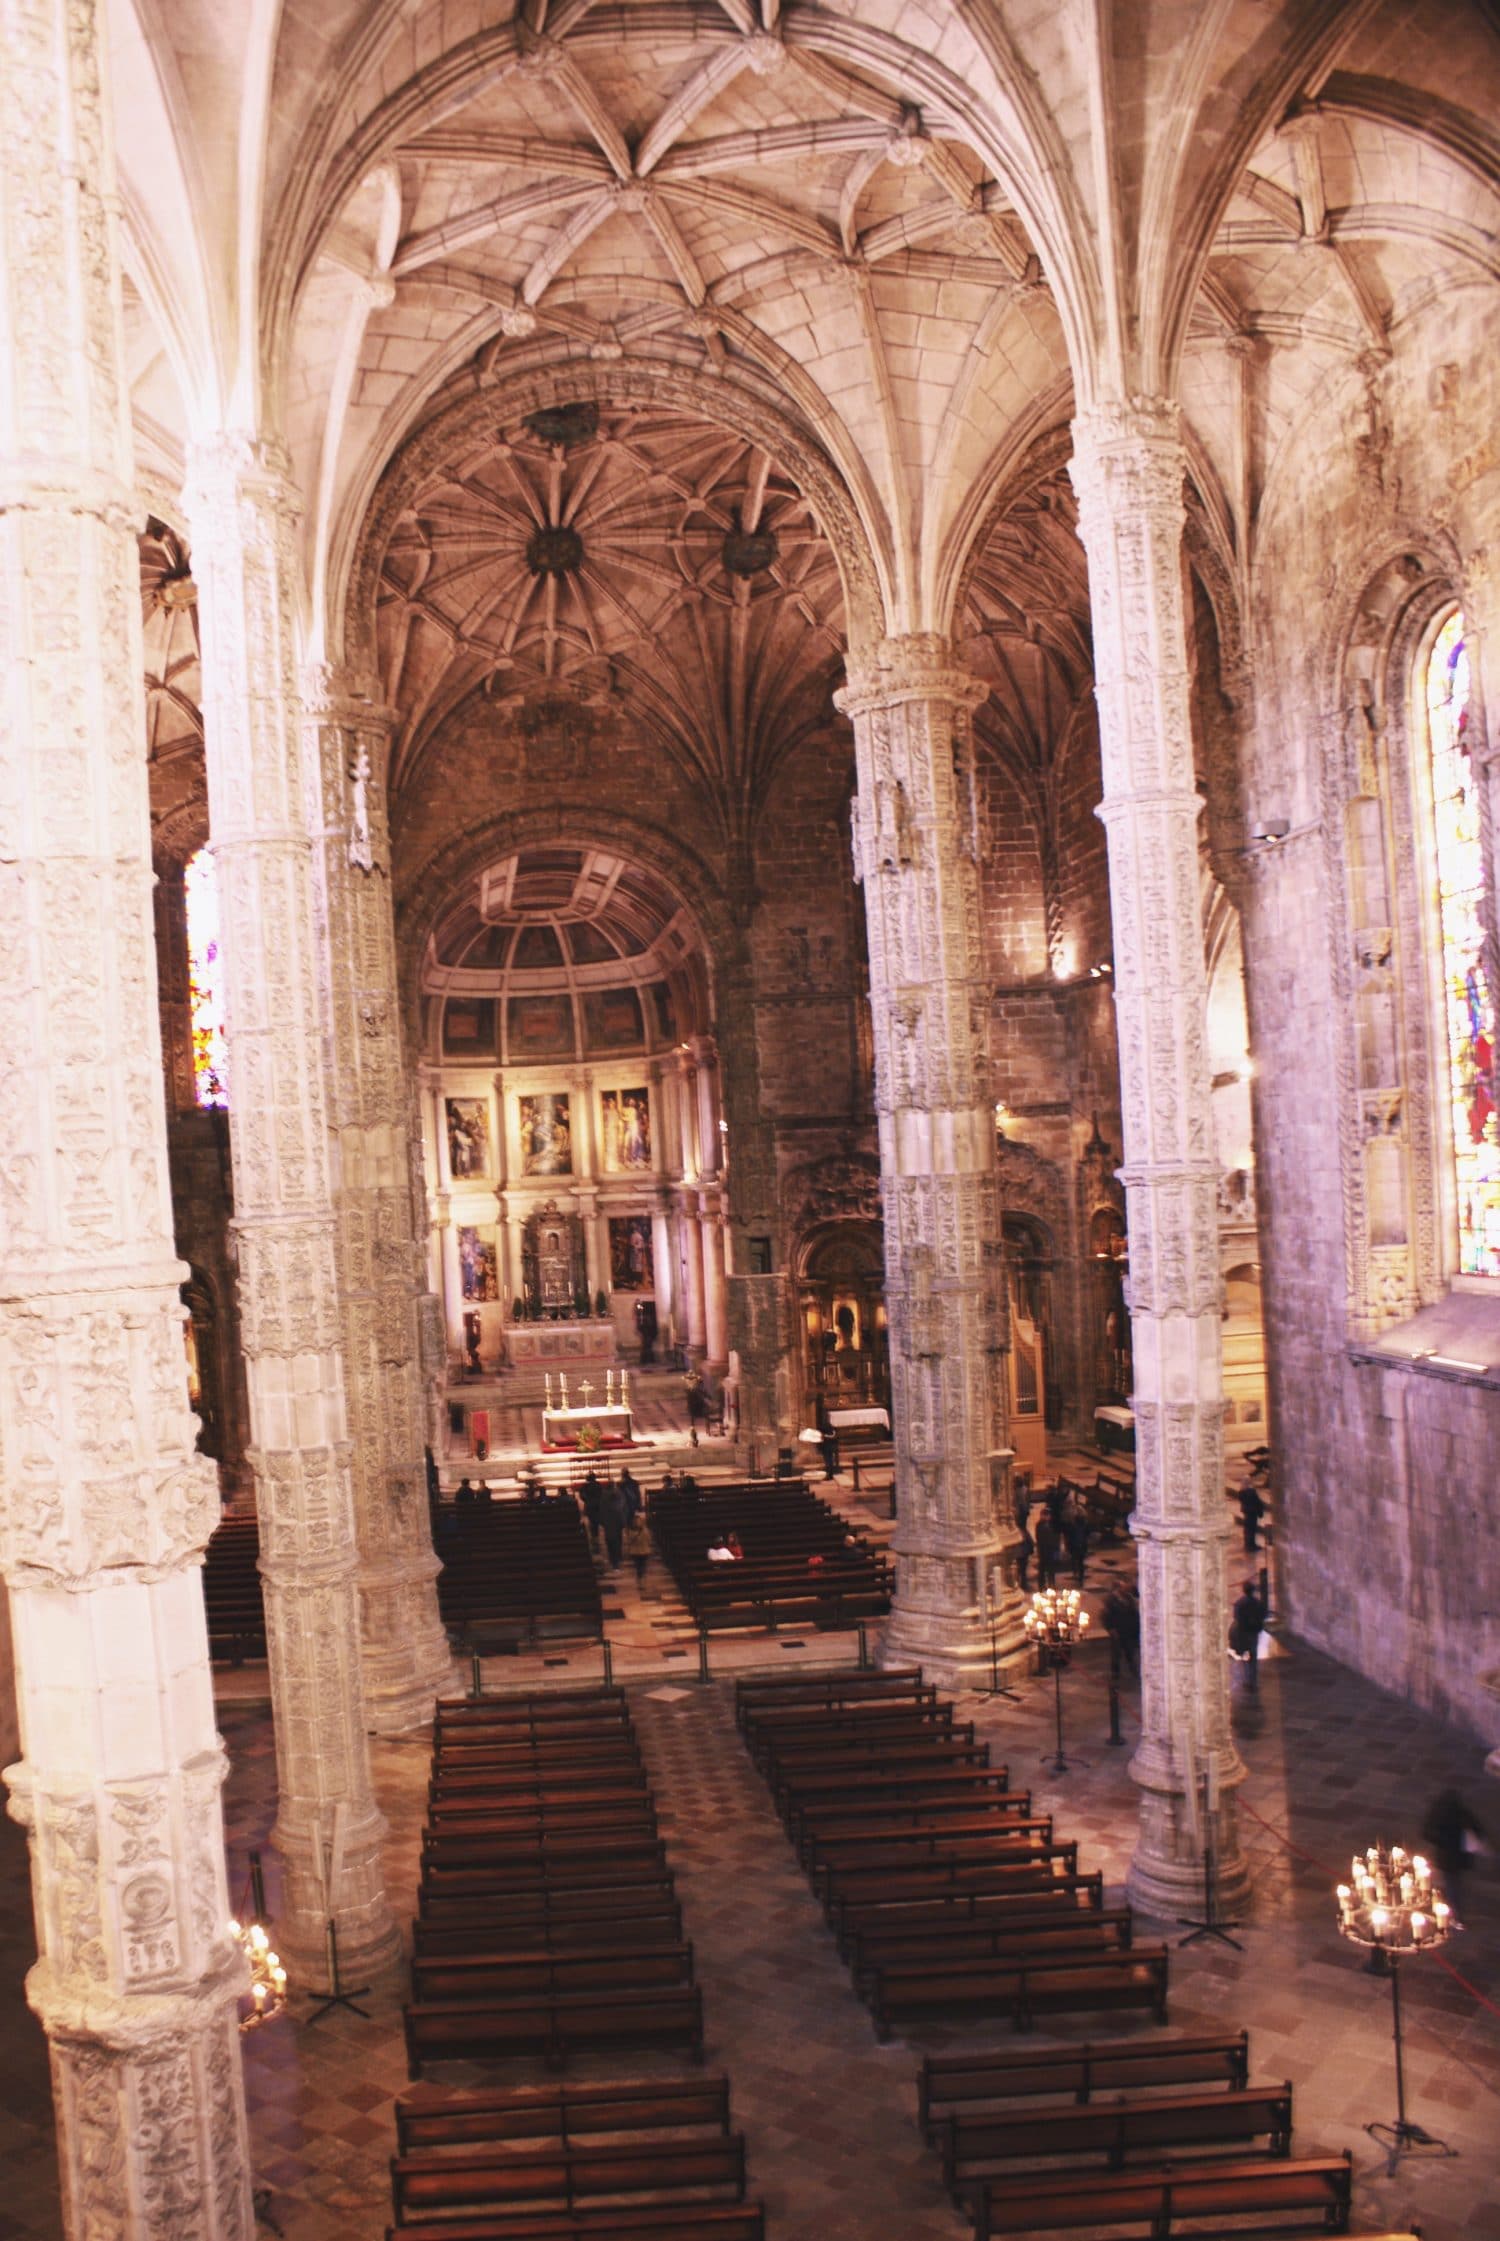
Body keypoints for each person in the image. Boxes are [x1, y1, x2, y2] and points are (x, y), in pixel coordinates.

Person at [1421, 1789, 1489, 1922]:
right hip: (1460, 1857)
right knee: (1455, 1884)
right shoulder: (1463, 1814)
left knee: (1452, 1884)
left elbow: (1427, 1833)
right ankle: (1456, 1913)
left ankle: (1455, 1914)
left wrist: (1441, 1841)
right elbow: (1478, 1830)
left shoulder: (1437, 1815)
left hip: (1446, 1858)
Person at [1230, 1578, 1265, 1690]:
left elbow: (1237, 1618)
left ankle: (1247, 1680)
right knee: (1253, 1658)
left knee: (1244, 1657)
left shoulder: (1240, 1603)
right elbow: (1262, 1616)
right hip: (1253, 1633)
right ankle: (1253, 1682)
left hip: (1243, 1633)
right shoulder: (1257, 1603)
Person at [1103, 1582, 1140, 1677]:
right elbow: (1106, 1616)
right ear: (1119, 1588)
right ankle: (1115, 1672)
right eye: (1124, 1587)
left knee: (1130, 1650)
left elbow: (1134, 1612)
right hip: (1117, 1630)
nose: (1126, 1589)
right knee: (1116, 1652)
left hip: (1128, 1629)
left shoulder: (1128, 1598)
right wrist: (1110, 1628)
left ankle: (1133, 1668)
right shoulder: (1110, 1600)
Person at [1062, 1489, 1089, 1588]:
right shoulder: (1084, 1524)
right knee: (1081, 1561)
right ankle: (1080, 1576)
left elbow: (1070, 1534)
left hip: (1075, 1545)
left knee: (1075, 1559)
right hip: (1081, 1545)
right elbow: (1087, 1535)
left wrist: (1068, 1545)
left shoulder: (1073, 1525)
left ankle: (1075, 1572)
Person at [600, 1478, 625, 1569]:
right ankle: (618, 1556)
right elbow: (622, 1507)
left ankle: (613, 1558)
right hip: (617, 1521)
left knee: (610, 1541)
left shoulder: (604, 1495)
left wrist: (602, 1521)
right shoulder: (619, 1494)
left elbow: (601, 1509)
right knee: (618, 1540)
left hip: (608, 1522)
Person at [1237, 1478, 1267, 1554]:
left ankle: (1247, 1544)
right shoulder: (1251, 1492)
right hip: (1252, 1513)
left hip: (1246, 1512)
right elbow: (1257, 1502)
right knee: (1252, 1530)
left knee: (1247, 1529)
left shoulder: (1241, 1492)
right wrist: (1260, 1512)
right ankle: (1251, 1545)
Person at [1034, 1505, 1060, 1590]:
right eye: (1046, 1515)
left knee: (1051, 1569)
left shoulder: (1051, 1525)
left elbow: (1056, 1538)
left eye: (1048, 1515)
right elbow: (1040, 1538)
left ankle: (1051, 1584)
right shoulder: (1040, 1525)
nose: (1048, 1517)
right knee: (1043, 1569)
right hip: (1044, 1550)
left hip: (1051, 1550)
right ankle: (1042, 1585)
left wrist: (1056, 1551)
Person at [625, 1508, 651, 1587]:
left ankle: (640, 1581)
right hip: (644, 1551)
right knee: (643, 1567)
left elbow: (629, 1541)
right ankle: (642, 1582)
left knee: (638, 1568)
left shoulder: (630, 1532)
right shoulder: (645, 1531)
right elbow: (649, 1540)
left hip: (635, 1552)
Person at [579, 1468, 604, 1552]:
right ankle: (596, 1539)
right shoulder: (598, 1485)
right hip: (597, 1506)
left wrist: (587, 1500)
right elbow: (602, 1495)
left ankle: (594, 1540)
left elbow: (582, 1496)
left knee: (592, 1523)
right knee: (595, 1523)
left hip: (590, 1507)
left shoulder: (585, 1486)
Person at [684, 1369, 708, 1446]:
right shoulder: (690, 1390)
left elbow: (702, 1396)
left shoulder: (696, 1390)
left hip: (696, 1406)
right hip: (692, 1406)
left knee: (692, 1423)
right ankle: (693, 1436)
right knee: (692, 1423)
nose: (690, 1382)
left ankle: (693, 1437)